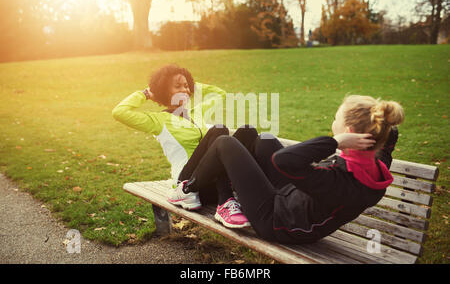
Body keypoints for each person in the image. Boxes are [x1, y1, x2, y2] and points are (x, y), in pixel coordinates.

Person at [181, 95, 404, 243]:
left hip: (277, 221)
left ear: (348, 131)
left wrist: (335, 141)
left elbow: (283, 161)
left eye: (335, 117)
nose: (332, 120)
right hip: (293, 202)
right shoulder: (375, 167)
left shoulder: (339, 179)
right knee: (263, 140)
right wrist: (381, 125)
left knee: (224, 143)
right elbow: (388, 144)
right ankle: (214, 188)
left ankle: (188, 189)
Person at [112, 64, 253, 228]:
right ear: (165, 91)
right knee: (219, 130)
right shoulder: (158, 121)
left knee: (248, 132)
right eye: (178, 86)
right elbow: (119, 112)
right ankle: (225, 204)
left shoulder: (196, 112)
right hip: (189, 187)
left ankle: (230, 199)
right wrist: (146, 93)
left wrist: (192, 86)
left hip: (213, 184)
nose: (185, 90)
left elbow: (220, 95)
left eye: (186, 86)